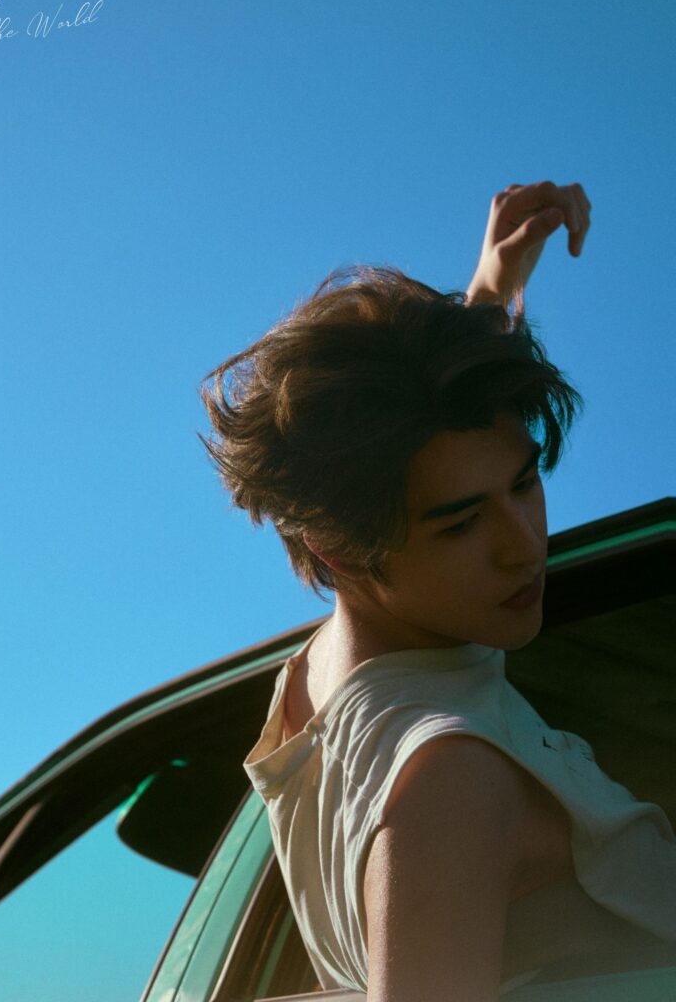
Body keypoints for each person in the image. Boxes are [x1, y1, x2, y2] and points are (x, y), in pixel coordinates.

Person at [199, 182, 676, 1000]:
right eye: (461, 527)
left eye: (525, 484)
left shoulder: (328, 675)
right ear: (339, 551)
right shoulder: (447, 781)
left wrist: (490, 291)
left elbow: (430, 440)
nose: (524, 546)